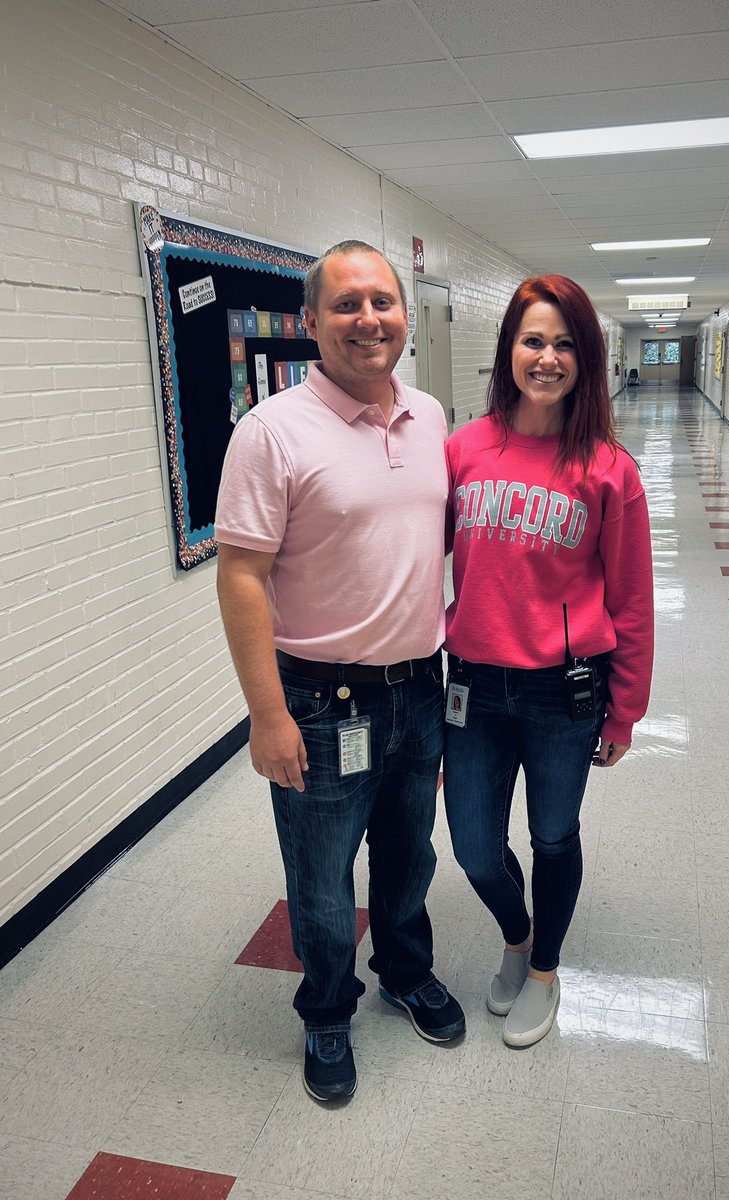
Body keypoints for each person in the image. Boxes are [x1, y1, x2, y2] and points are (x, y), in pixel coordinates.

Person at [215, 240, 465, 1103]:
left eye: (384, 302)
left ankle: (404, 970)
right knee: (322, 878)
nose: (370, 320)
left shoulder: (431, 416)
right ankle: (327, 1009)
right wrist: (266, 712)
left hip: (418, 688)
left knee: (408, 856)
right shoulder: (271, 431)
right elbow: (241, 575)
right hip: (322, 701)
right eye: (348, 305)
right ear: (312, 320)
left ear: (404, 316)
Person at [442, 274, 653, 1048]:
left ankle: (542, 971)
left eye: (566, 344)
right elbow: (407, 553)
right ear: (509, 349)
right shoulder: (463, 450)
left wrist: (625, 711)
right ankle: (518, 934)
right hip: (472, 686)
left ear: (586, 358)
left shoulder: (607, 468)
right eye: (534, 339)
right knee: (470, 844)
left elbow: (631, 601)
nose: (548, 357)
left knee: (553, 837)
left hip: (564, 693)